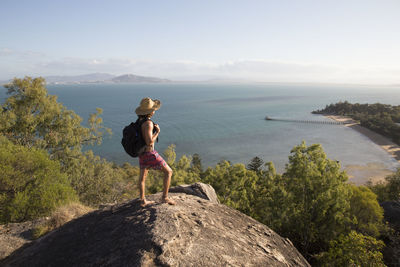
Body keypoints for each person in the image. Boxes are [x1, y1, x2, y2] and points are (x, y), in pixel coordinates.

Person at [135, 97, 176, 206]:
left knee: (142, 178)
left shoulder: (139, 122)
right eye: (153, 109)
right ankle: (165, 198)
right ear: (150, 112)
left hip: (142, 154)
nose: (154, 111)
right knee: (168, 172)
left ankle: (142, 200)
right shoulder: (148, 124)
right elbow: (149, 142)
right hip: (149, 153)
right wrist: (157, 131)